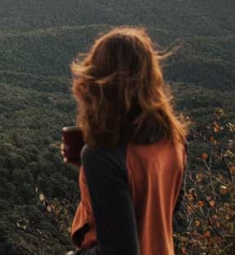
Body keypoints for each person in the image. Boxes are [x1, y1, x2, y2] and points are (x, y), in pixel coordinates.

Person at [62, 27, 187, 255]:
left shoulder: (102, 156)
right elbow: (163, 204)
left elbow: (118, 251)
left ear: (99, 81)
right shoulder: (173, 140)